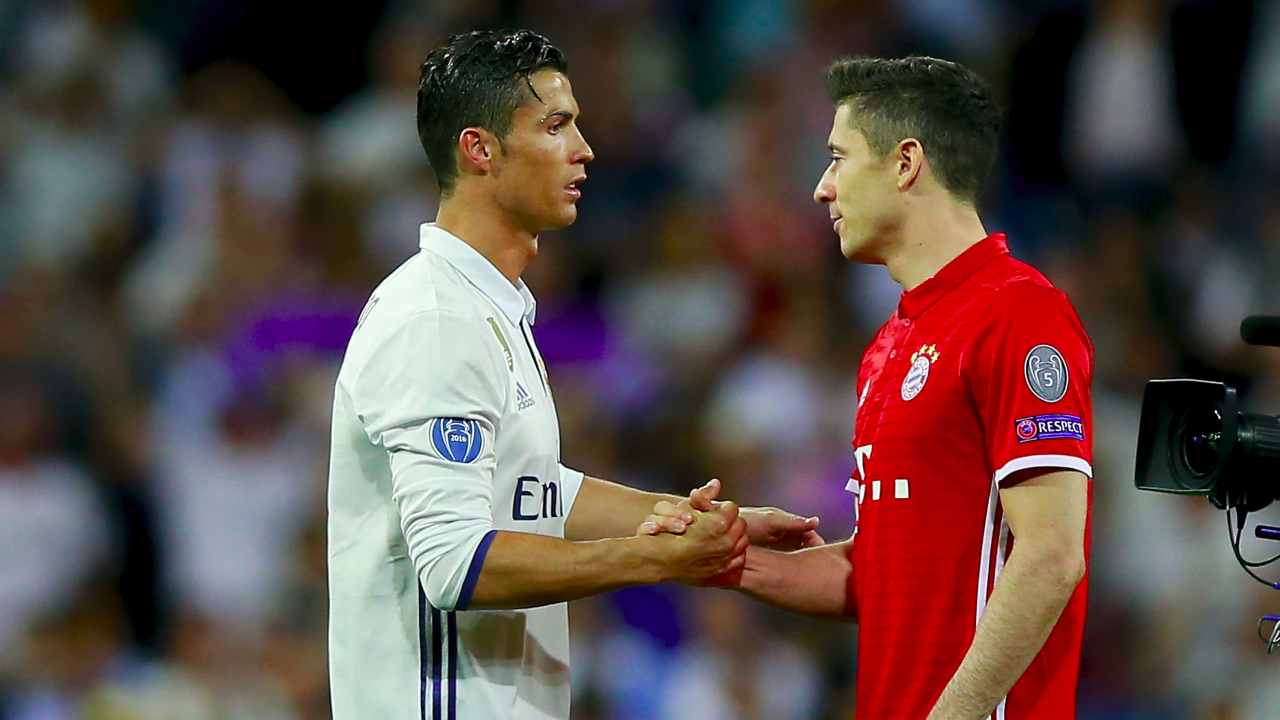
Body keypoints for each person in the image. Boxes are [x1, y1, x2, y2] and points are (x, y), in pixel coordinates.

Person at [326, 29, 820, 719]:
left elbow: (528, 490)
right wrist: (656, 563)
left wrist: (681, 522)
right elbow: (455, 564)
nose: (584, 149)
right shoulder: (434, 320)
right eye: (556, 126)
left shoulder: (490, 308)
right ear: (480, 149)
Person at [644, 56, 1094, 719]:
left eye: (838, 158)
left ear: (905, 163)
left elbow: (1052, 556)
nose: (822, 189)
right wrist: (718, 556)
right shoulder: (890, 345)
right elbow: (881, 572)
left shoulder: (1019, 313)